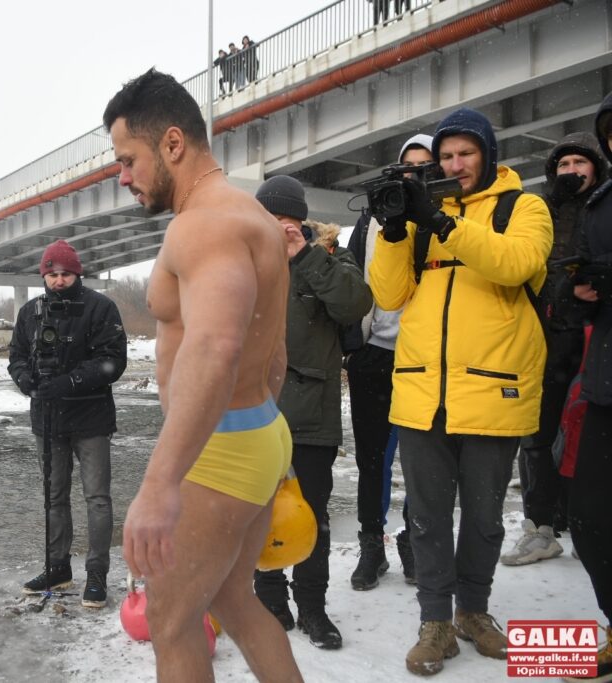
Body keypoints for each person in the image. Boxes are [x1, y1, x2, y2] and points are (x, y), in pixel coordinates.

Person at [104, 68, 303, 682]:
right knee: (235, 601)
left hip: (219, 447)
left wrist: (161, 483)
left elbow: (216, 346)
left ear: (172, 143)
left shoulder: (203, 225)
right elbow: (274, 351)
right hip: (256, 429)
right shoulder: (253, 218)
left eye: (128, 159)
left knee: (170, 623)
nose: (122, 176)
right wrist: (265, 442)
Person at [369, 107, 553, 676]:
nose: (454, 165)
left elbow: (516, 263)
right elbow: (389, 295)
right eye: (445, 156)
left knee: (483, 516)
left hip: (493, 391)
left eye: (465, 154)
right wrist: (395, 233)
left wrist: (443, 223)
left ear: (488, 155)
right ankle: (435, 624)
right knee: (426, 517)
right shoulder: (422, 216)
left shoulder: (523, 207)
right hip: (423, 391)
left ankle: (473, 610)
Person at [252, 175, 373, 650]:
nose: (276, 229)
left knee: (312, 517)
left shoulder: (329, 254)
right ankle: (269, 600)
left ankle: (313, 607)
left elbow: (354, 303)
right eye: (267, 220)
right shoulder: (241, 259)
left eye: (285, 220)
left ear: (301, 222)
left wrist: (303, 254)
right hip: (254, 414)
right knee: (257, 515)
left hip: (311, 415)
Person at [502, 131, 607, 568]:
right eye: (563, 165)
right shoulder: (539, 210)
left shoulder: (604, 210)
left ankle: (589, 525)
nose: (571, 171)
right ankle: (540, 526)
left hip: (596, 338)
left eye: (580, 163)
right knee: (538, 434)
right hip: (544, 337)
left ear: (596, 169)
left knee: (591, 434)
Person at [7, 239, 127, 608]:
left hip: (91, 418)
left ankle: (97, 573)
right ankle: (57, 567)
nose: (58, 280)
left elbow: (113, 361)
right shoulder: (30, 312)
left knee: (97, 498)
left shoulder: (100, 308)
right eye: (52, 274)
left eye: (65, 274)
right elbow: (16, 355)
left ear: (78, 273)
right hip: (47, 420)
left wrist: (69, 381)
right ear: (44, 276)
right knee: (54, 496)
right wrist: (25, 380)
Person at [346, 133, 435, 591]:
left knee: (423, 459)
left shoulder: (444, 217)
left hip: (425, 356)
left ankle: (413, 540)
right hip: (374, 354)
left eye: (423, 167)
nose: (412, 176)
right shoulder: (372, 218)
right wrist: (353, 345)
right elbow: (352, 277)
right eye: (406, 167)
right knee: (372, 459)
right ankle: (371, 544)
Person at [563, 91, 612, 681]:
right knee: (591, 517)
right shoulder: (598, 206)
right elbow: (569, 296)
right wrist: (578, 293)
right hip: (604, 381)